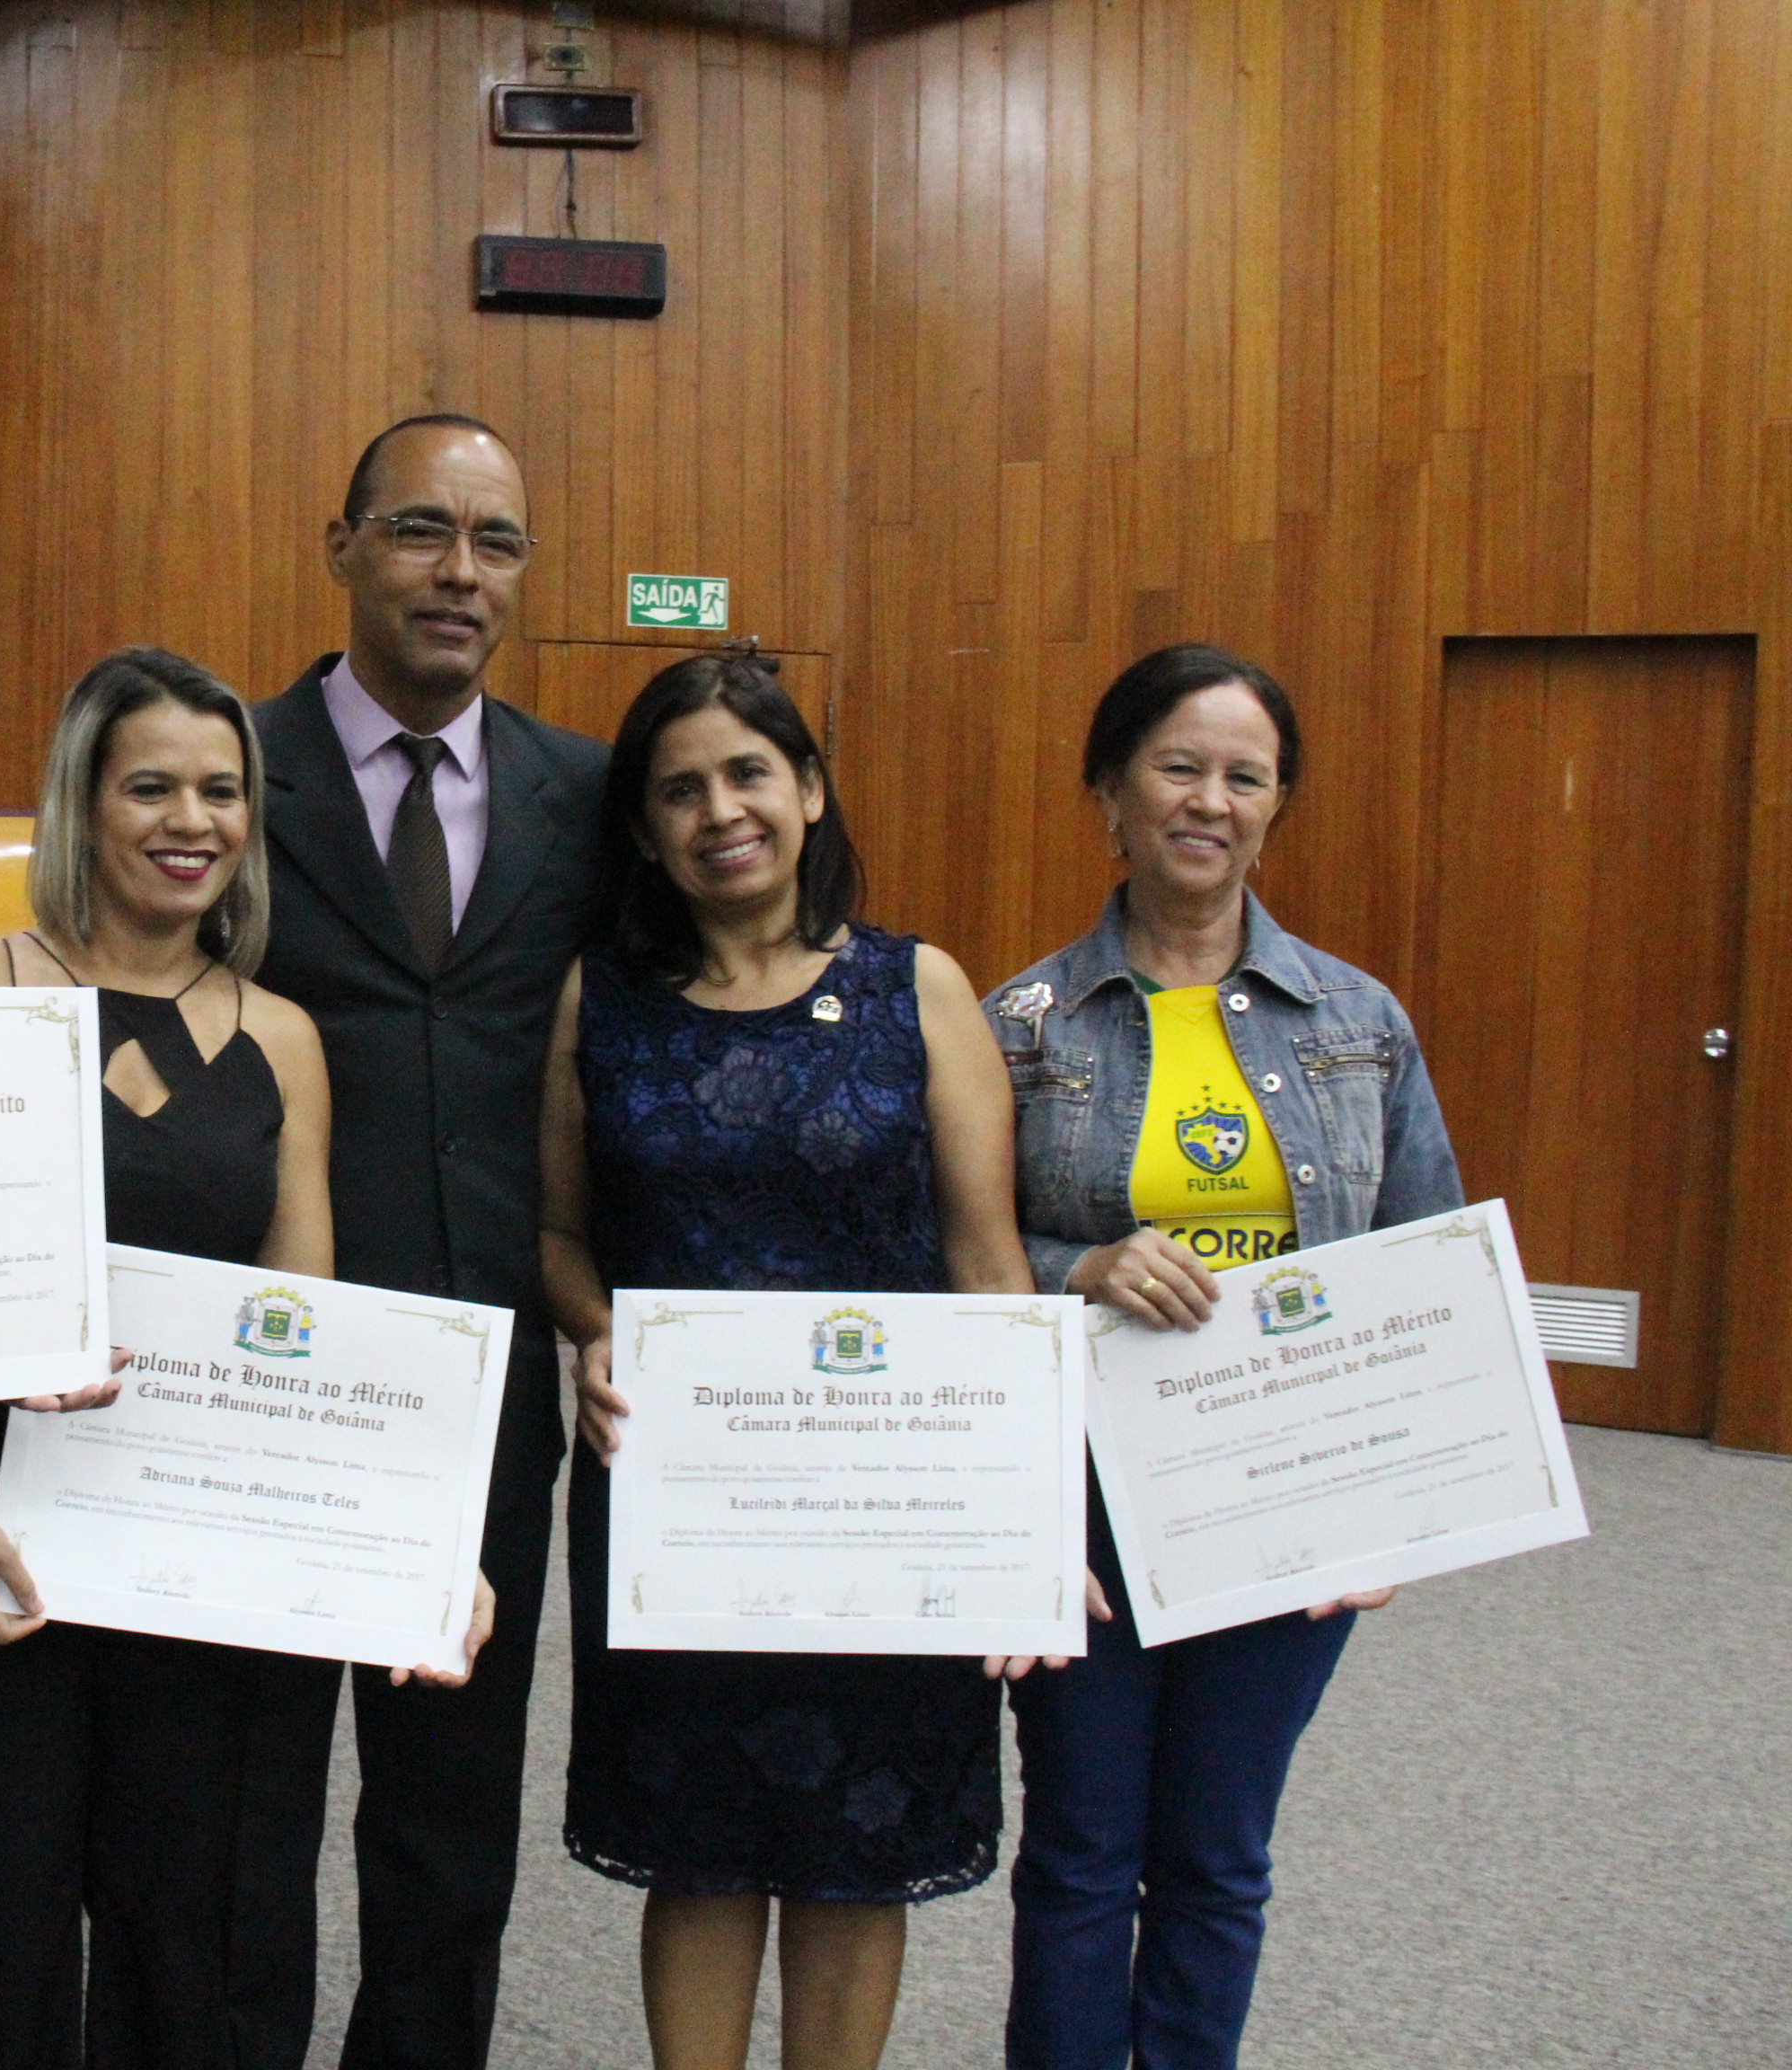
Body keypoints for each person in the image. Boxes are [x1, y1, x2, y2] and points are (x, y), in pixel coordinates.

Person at [536, 650, 1045, 2070]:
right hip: (678, 1493)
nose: (721, 812)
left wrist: (1023, 1512)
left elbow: (988, 1261)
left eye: (749, 773)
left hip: (889, 1498)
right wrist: (594, 1330)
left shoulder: (916, 988)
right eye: (680, 790)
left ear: (810, 790)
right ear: (645, 831)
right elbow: (558, 1235)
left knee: (857, 1851)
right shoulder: (597, 1000)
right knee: (698, 1848)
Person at [990, 642, 1461, 2070]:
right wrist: (1079, 1266)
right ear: (1110, 792)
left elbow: (1425, 1266)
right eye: (1178, 767)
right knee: (1081, 1848)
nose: (1210, 801)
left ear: (1276, 808)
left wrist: (1398, 1508)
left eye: (1244, 777)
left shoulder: (1360, 1025)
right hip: (1084, 1498)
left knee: (1217, 1853)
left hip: (1287, 1494)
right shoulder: (1021, 1027)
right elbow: (952, 1261)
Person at [0, 645, 353, 2067]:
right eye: (151, 787)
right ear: (81, 802)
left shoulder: (282, 1038)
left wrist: (390, 1543)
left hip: (191, 1558)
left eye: (222, 790)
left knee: (182, 1929)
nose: (191, 821)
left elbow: (302, 1334)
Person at [246, 413, 606, 2070]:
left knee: (449, 1821)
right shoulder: (224, 771)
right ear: (340, 548)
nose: (462, 572)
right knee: (237, 1808)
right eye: (419, 530)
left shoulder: (581, 795)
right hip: (260, 1375)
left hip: (484, 1383)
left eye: (498, 541)